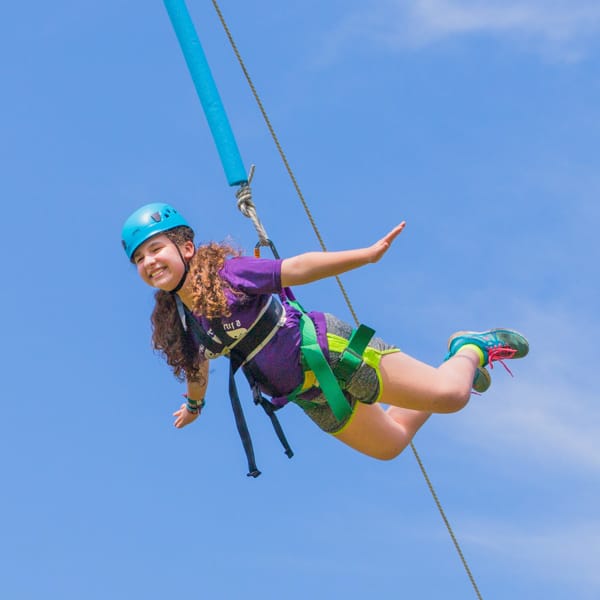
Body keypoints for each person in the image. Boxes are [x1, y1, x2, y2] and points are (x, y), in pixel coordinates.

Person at [122, 202, 528, 463]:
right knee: (390, 445)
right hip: (308, 394)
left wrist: (364, 257)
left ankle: (469, 347)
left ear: (186, 248)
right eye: (139, 258)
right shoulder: (182, 321)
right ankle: (451, 368)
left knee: (451, 397)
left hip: (332, 353)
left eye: (156, 249)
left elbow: (297, 267)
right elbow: (198, 370)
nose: (149, 261)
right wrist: (194, 407)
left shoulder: (229, 274)